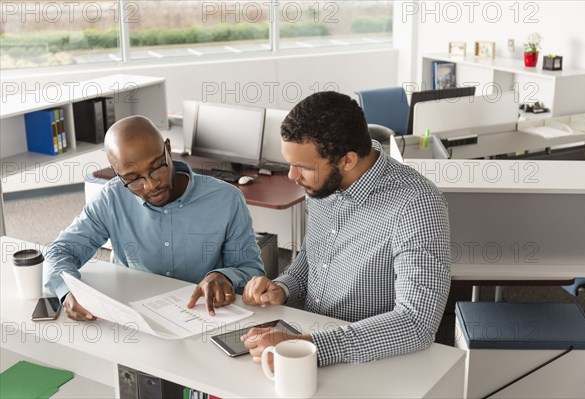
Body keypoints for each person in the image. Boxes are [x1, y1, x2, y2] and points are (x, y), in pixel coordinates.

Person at [241, 91, 451, 367]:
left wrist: (310, 348)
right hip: (312, 337)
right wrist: (283, 287)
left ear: (347, 160)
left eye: (301, 167)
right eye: (289, 164)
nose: (292, 177)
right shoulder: (322, 184)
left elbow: (416, 323)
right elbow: (313, 259)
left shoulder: (417, 205)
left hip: (374, 362)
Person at [44, 115, 264, 321]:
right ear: (117, 173)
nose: (151, 185)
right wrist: (67, 293)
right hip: (137, 316)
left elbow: (251, 269)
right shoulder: (112, 198)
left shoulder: (226, 199)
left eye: (157, 168)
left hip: (204, 316)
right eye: (133, 179)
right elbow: (60, 251)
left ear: (168, 149)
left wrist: (224, 276)